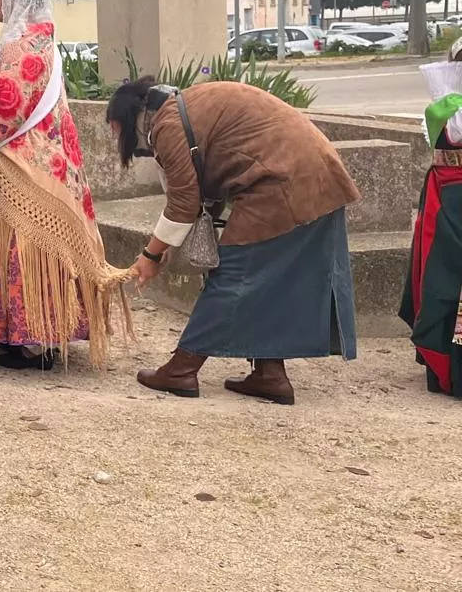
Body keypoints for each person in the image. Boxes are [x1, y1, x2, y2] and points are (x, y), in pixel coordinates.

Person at [112, 78, 360, 404]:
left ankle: (182, 369)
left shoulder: (165, 125)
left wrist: (150, 255)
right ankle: (270, 375)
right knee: (268, 282)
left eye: (115, 129)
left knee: (234, 276)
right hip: (313, 173)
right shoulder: (184, 106)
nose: (116, 137)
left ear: (131, 116)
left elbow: (183, 204)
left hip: (283, 182)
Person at [0, 0, 128, 370]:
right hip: (48, 163)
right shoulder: (42, 44)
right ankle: (38, 331)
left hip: (20, 167)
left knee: (21, 250)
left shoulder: (20, 50)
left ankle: (33, 339)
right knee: (38, 250)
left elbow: (5, 111)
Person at [402, 37, 462, 397]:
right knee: (443, 277)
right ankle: (447, 361)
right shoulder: (443, 105)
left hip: (448, 195)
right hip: (448, 198)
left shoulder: (442, 105)